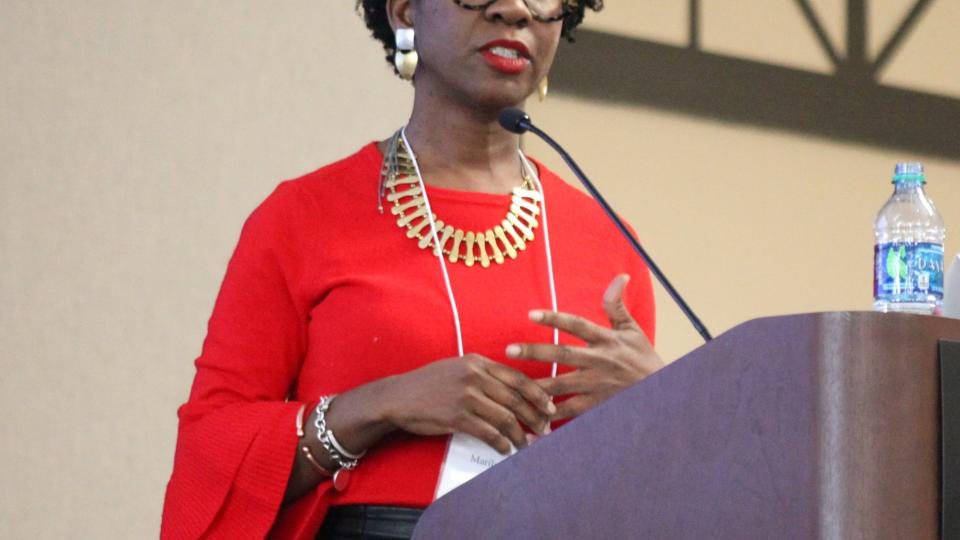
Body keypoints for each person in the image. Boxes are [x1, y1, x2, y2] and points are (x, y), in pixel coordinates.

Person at [161, 0, 663, 538]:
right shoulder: (303, 219)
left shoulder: (610, 243)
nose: (516, 10)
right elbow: (211, 454)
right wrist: (380, 405)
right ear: (403, 12)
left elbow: (651, 500)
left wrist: (663, 405)